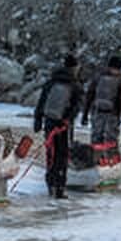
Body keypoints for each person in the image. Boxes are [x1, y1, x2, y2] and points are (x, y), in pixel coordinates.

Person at [32, 53, 84, 200]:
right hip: (63, 126)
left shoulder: (51, 81)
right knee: (62, 155)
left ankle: (50, 184)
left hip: (49, 122)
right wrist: (68, 119)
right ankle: (60, 188)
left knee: (51, 153)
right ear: (75, 67)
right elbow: (76, 107)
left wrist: (38, 120)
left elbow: (42, 101)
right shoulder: (75, 85)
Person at [82, 53, 121, 153]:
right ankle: (109, 163)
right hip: (112, 116)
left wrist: (85, 114)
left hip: (97, 114)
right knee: (111, 142)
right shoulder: (119, 80)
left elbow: (89, 96)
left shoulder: (98, 77)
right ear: (119, 67)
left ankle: (95, 160)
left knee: (96, 139)